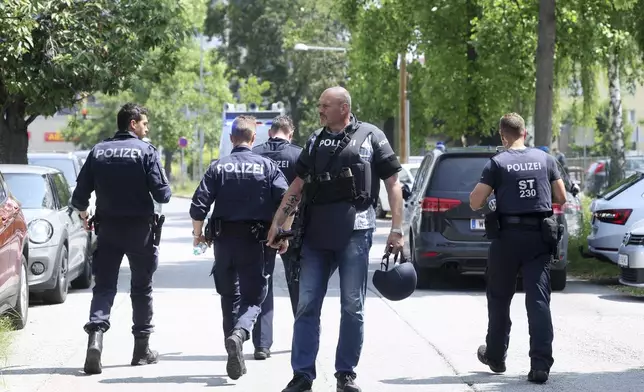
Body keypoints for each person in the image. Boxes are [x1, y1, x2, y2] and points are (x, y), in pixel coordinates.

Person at [266, 86, 405, 392]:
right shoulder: (315, 139)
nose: (320, 110)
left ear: (343, 107)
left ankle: (346, 374)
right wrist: (279, 223)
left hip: (356, 230)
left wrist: (397, 229)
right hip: (316, 232)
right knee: (306, 304)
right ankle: (302, 375)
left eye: (325, 105)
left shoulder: (371, 136)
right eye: (319, 105)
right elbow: (297, 186)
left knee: (352, 305)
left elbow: (393, 183)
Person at [71, 103, 172, 375]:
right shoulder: (146, 152)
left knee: (103, 288)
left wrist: (84, 216)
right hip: (140, 231)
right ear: (132, 124)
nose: (146, 128)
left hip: (108, 230)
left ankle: (95, 340)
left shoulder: (98, 151)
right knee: (142, 289)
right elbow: (163, 195)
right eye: (144, 123)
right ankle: (141, 351)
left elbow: (79, 197)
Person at [189, 115, 291, 381]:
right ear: (253, 138)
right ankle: (240, 334)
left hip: (223, 242)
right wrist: (281, 233)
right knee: (254, 298)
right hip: (257, 243)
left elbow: (199, 204)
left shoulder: (218, 167)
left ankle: (234, 348)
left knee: (229, 297)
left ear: (232, 139)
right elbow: (287, 200)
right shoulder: (267, 167)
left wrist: (198, 235)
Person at [469, 113, 567, 384]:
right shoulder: (546, 160)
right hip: (539, 238)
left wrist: (494, 196)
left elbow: (475, 201)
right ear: (525, 133)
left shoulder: (497, 163)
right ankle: (540, 365)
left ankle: (497, 356)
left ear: (503, 136)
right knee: (538, 300)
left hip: (507, 238)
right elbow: (561, 196)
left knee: (499, 298)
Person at [251, 115, 303, 360]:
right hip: (293, 229)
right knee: (298, 283)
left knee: (264, 282)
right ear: (289, 133)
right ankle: (304, 336)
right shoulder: (298, 155)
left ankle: (262, 344)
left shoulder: (256, 153)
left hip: (260, 228)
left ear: (270, 132)